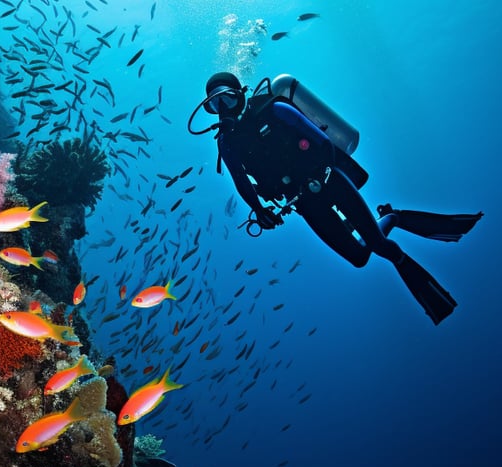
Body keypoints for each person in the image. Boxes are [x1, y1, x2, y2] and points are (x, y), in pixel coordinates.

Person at [189, 72, 483, 325]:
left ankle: (395, 218)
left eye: (226, 98)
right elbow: (240, 182)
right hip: (304, 203)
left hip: (331, 183)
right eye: (214, 104)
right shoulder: (227, 142)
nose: (222, 108)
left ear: (239, 93)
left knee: (382, 247)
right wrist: (260, 210)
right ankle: (388, 218)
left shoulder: (272, 108)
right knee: (359, 257)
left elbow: (323, 141)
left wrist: (323, 173)